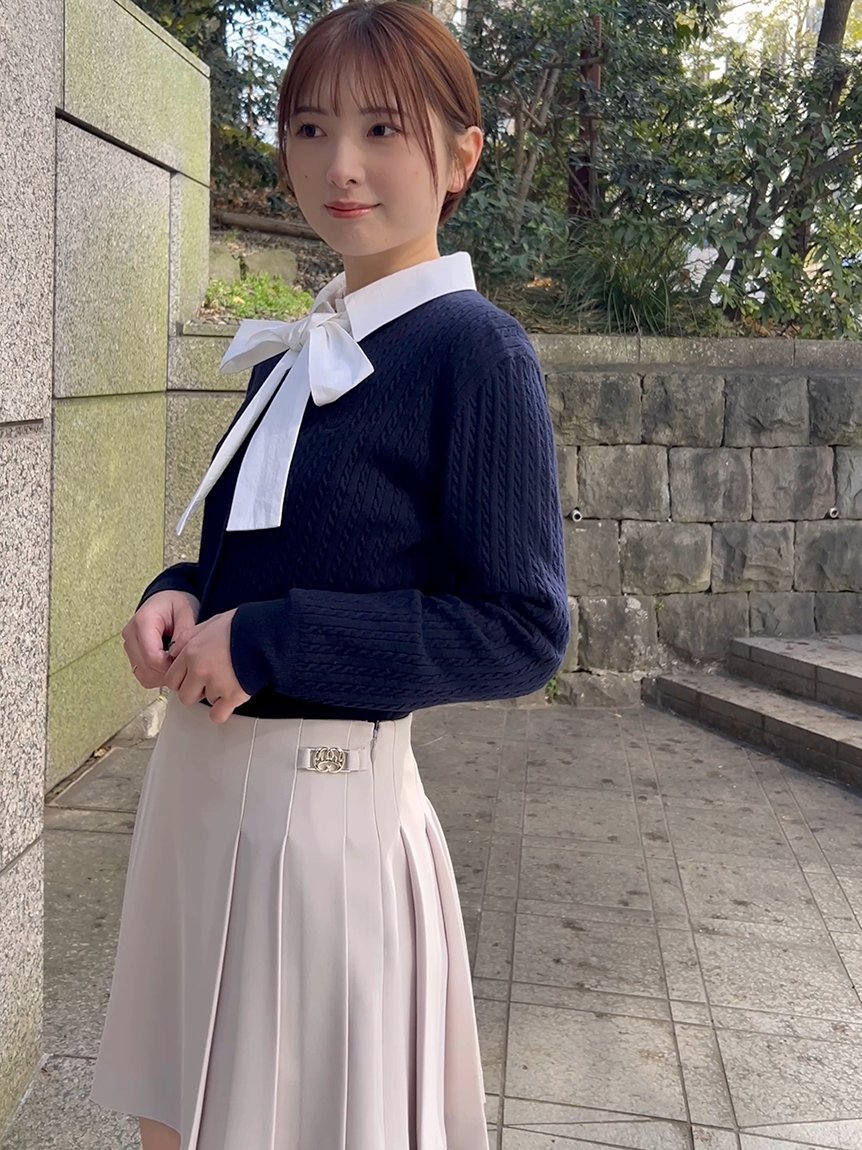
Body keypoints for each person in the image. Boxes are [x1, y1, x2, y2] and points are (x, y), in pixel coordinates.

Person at [89, 3, 570, 1148]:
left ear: (460, 155)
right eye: (309, 128)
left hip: (318, 827)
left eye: (381, 130)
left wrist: (270, 641)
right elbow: (262, 552)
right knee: (175, 1121)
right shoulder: (302, 349)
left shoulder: (474, 352)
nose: (338, 165)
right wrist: (181, 593)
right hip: (198, 803)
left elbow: (520, 628)